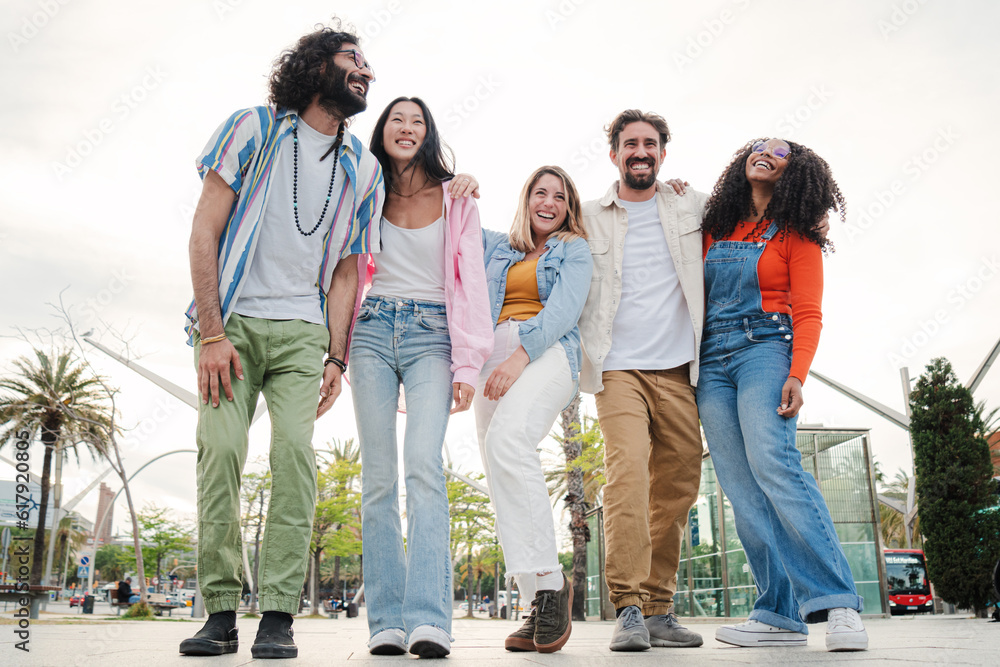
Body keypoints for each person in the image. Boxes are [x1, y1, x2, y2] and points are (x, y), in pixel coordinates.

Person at [180, 26, 382, 659]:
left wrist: (336, 355)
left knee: (295, 456)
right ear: (316, 66)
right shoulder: (253, 129)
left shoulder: (364, 168)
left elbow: (349, 269)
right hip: (231, 325)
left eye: (367, 65)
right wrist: (212, 333)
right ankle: (218, 611)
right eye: (353, 60)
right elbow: (203, 231)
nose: (365, 72)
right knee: (221, 454)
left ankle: (277, 615)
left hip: (303, 334)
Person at [697, 138, 867, 652]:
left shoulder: (798, 233)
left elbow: (808, 311)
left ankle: (838, 604)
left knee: (774, 462)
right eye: (756, 146)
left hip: (765, 347)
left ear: (797, 172)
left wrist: (798, 373)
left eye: (780, 150)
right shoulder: (714, 228)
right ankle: (778, 612)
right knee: (738, 483)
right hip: (710, 358)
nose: (764, 151)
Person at [350, 96, 492, 659]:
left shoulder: (457, 196)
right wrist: (334, 353)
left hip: (434, 333)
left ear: (428, 133)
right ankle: (385, 621)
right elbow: (341, 266)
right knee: (379, 477)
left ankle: (430, 620)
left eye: (417, 121)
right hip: (370, 331)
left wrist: (468, 363)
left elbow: (474, 282)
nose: (406, 128)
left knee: (424, 469)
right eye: (395, 120)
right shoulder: (362, 188)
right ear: (382, 131)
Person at [577, 110, 706, 652]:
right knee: (627, 475)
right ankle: (628, 607)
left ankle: (658, 607)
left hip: (679, 369)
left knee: (678, 487)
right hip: (617, 369)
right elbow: (529, 236)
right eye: (630, 144)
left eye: (650, 144)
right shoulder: (587, 216)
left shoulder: (691, 205)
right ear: (614, 155)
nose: (640, 152)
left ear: (662, 154)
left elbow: (757, 206)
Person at [476, 166, 593, 653]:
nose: (549, 203)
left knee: (509, 440)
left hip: (546, 352)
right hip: (490, 354)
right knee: (498, 469)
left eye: (559, 197)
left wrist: (520, 356)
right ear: (526, 199)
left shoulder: (574, 249)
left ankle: (550, 583)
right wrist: (458, 181)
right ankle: (534, 601)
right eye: (540, 193)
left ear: (569, 207)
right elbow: (444, 218)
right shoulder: (497, 245)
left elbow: (564, 311)